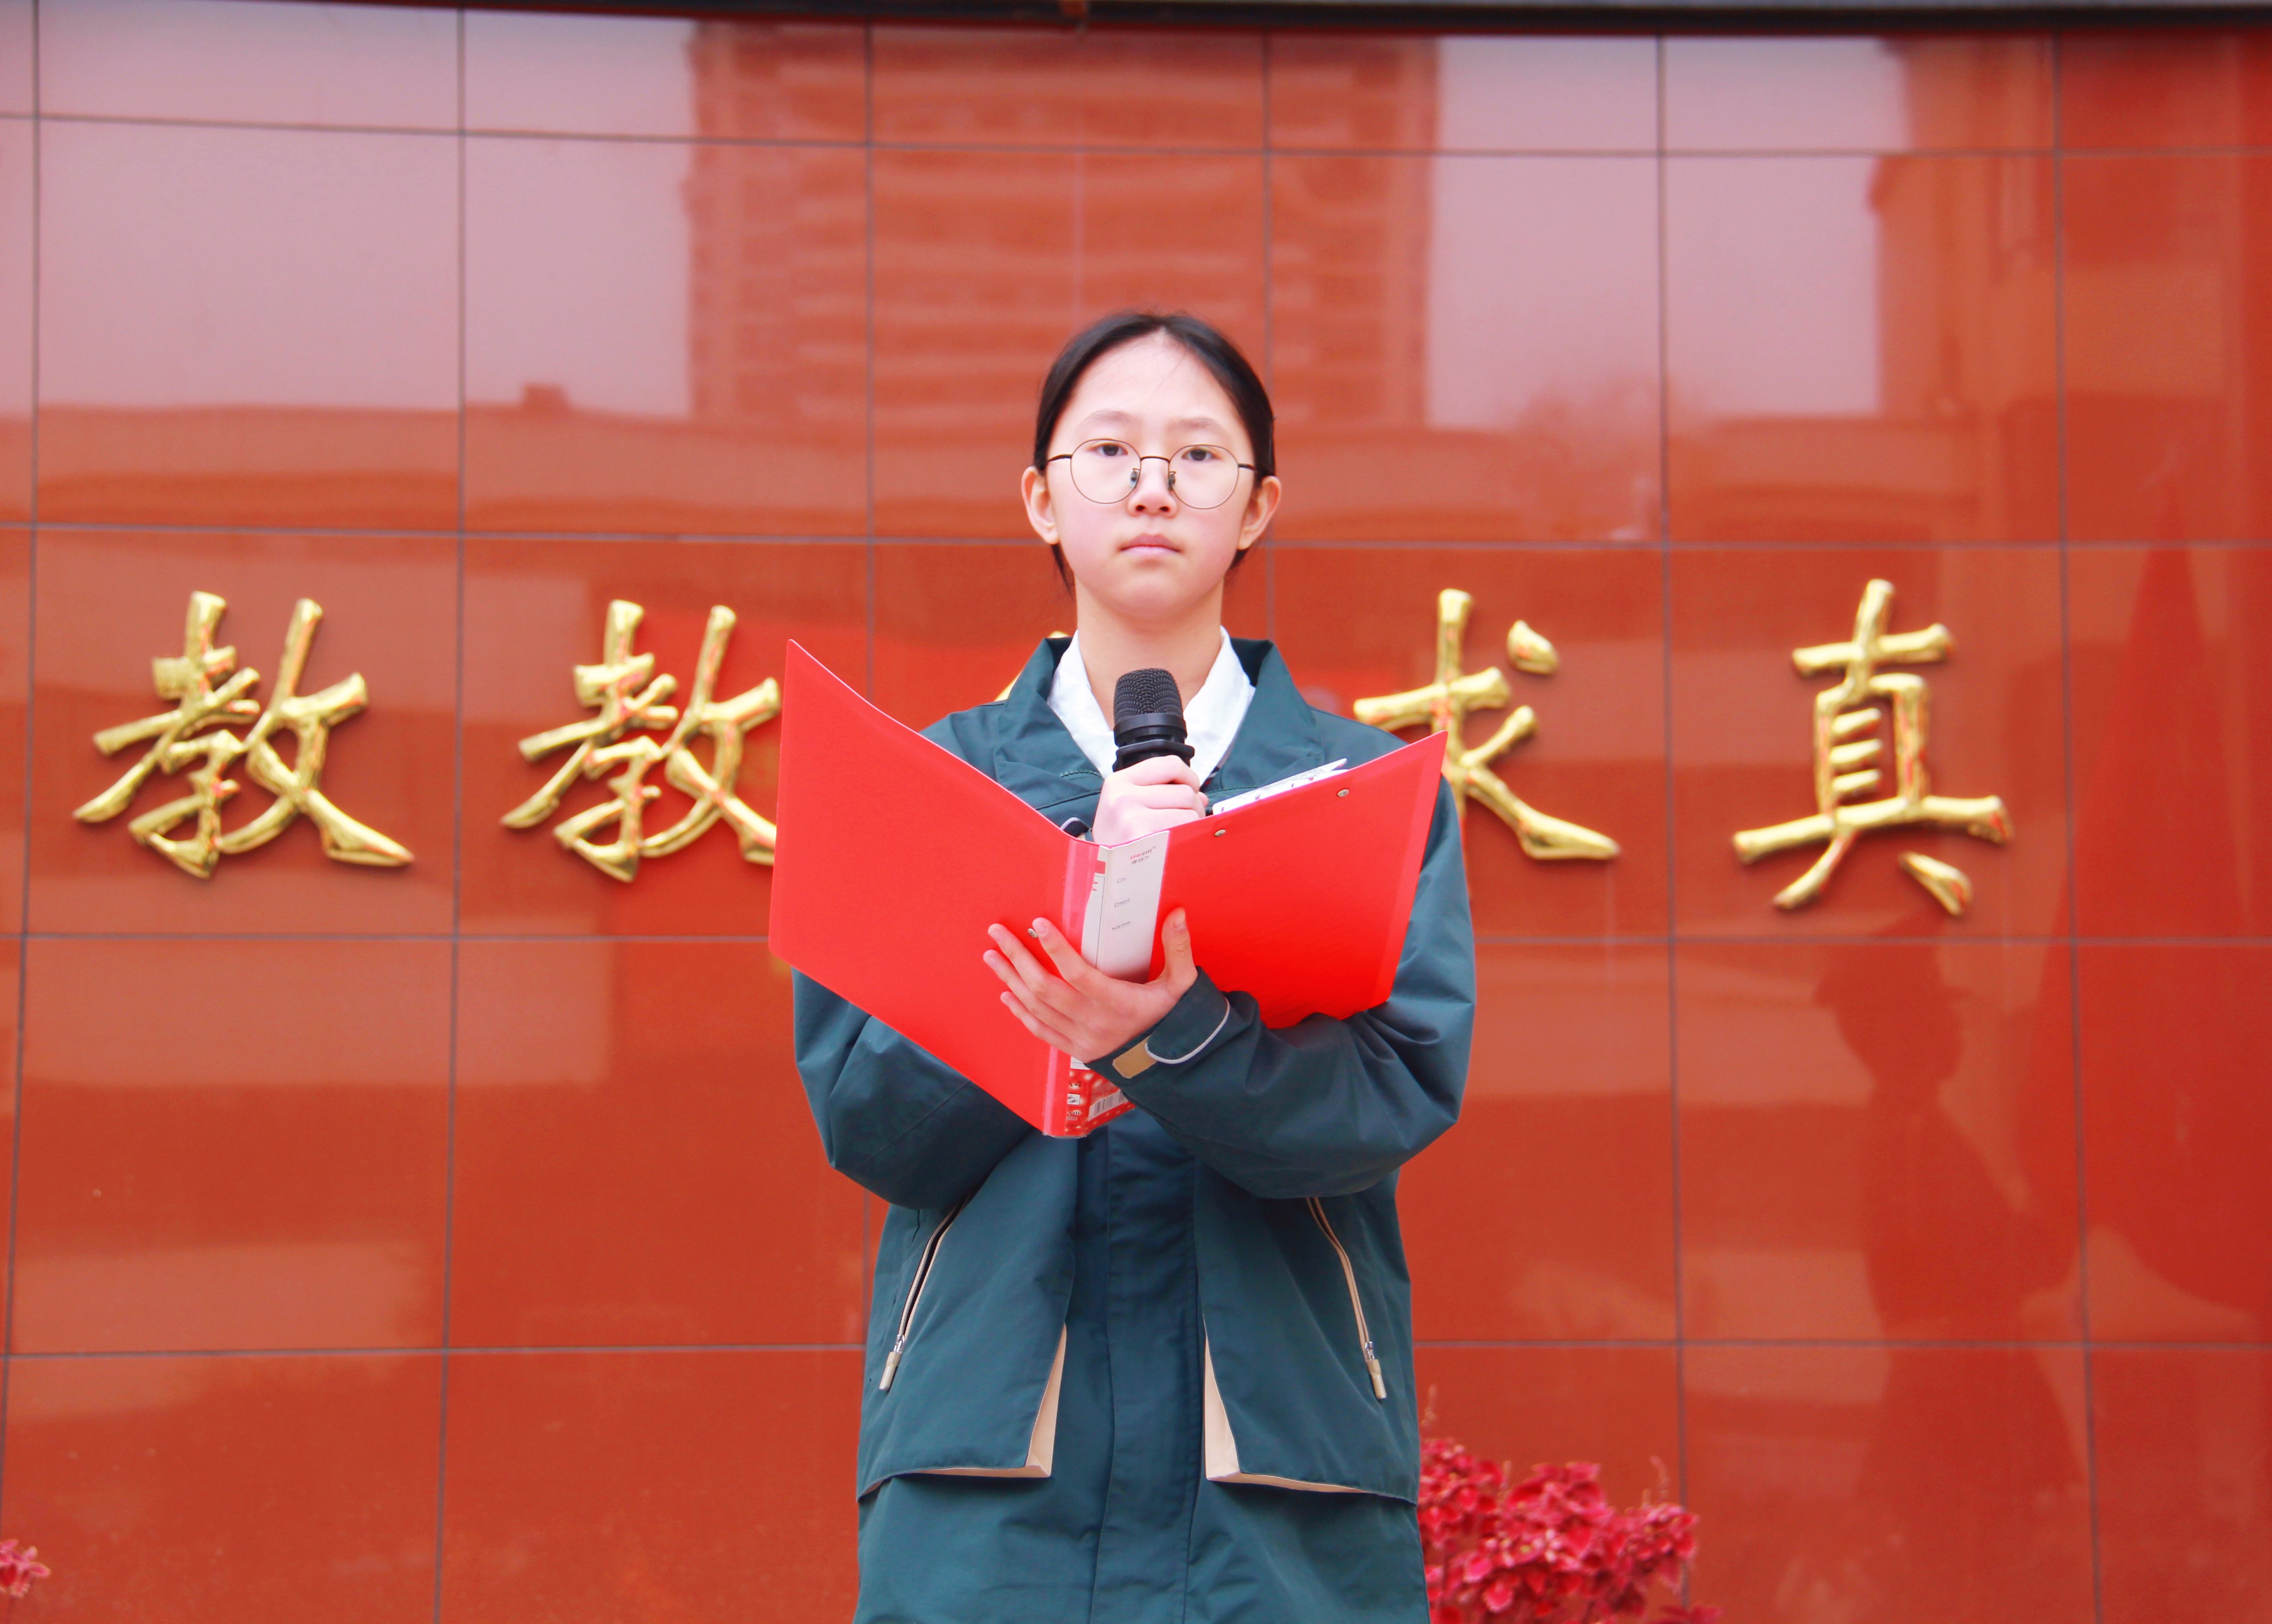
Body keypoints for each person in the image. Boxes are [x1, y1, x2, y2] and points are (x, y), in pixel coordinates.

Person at [792, 311, 1476, 1623]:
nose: (1152, 486)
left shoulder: (1361, 791)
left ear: (1257, 506)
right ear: (1041, 500)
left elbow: (1390, 1100)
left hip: (1275, 1465)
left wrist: (1176, 1034)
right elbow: (868, 1122)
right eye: (1108, 450)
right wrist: (1071, 917)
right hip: (994, 1471)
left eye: (1198, 455)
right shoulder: (932, 783)